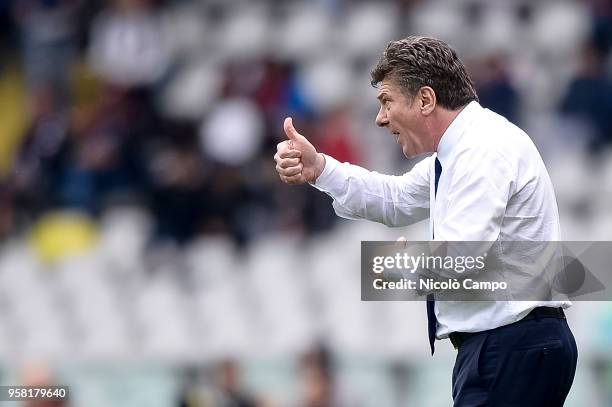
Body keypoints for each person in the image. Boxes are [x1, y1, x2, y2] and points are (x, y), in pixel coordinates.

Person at [274, 36, 577, 406]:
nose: (380, 118)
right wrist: (319, 168)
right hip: (505, 345)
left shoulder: (482, 149)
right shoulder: (462, 151)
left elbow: (461, 257)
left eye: (387, 101)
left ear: (426, 100)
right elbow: (396, 199)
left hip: (511, 345)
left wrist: (406, 265)